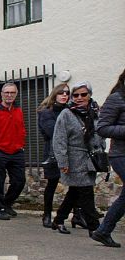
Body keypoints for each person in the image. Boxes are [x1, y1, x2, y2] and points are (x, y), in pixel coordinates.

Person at [50, 82, 102, 237]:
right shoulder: (66, 114)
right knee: (86, 192)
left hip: (90, 159)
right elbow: (59, 139)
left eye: (83, 94)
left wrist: (100, 149)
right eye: (76, 95)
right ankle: (96, 228)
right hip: (74, 159)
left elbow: (100, 132)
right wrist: (63, 162)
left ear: (89, 95)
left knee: (75, 192)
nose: (79, 98)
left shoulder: (95, 111)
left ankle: (58, 220)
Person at [91, 68, 125, 247]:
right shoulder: (116, 98)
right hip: (120, 154)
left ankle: (103, 231)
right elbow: (102, 128)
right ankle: (103, 231)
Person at [0, 82, 27, 220]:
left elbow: (21, 129)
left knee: (20, 181)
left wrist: (21, 144)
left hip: (16, 151)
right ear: (1, 94)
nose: (9, 95)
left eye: (12, 93)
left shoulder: (18, 110)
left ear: (16, 94)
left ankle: (7, 203)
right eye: (6, 92)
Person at [37, 84, 71, 227]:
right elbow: (53, 133)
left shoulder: (70, 111)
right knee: (52, 183)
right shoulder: (47, 112)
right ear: (55, 94)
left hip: (71, 152)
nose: (64, 95)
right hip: (52, 153)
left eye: (67, 93)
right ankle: (47, 214)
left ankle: (77, 215)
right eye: (61, 93)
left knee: (77, 186)